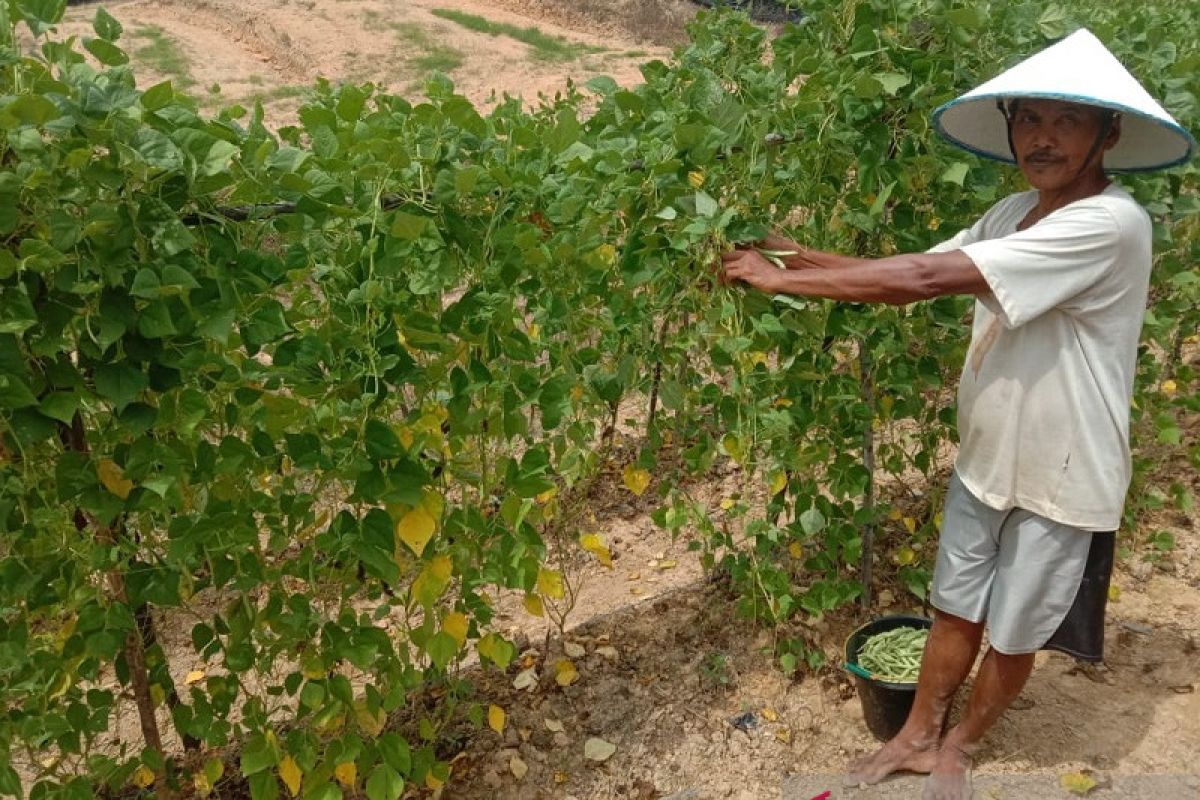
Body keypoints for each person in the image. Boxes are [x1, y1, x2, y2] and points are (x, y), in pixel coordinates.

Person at [719, 29, 1195, 800]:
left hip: (1064, 471)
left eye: (1066, 122)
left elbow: (923, 277)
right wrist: (791, 255)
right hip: (989, 454)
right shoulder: (1014, 212)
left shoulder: (1110, 223)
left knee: (1014, 630)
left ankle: (961, 746)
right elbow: (916, 267)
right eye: (1029, 118)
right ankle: (916, 734)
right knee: (954, 603)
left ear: (1108, 134)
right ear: (1009, 125)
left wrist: (781, 284)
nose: (1042, 137)